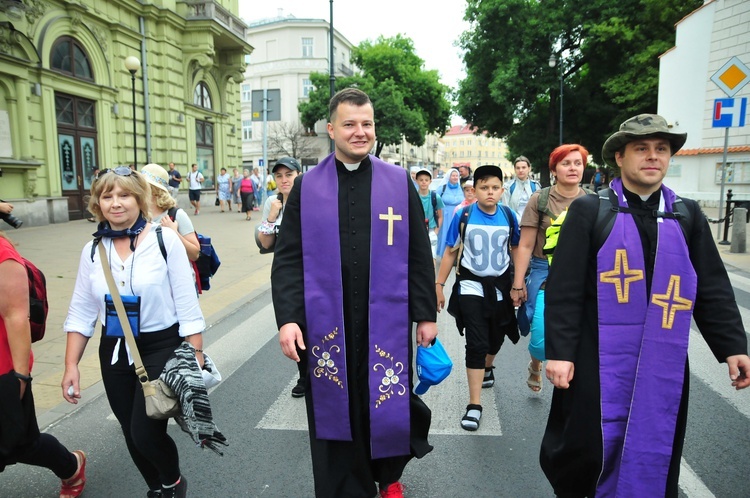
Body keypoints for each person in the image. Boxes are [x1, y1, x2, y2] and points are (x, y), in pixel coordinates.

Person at [539, 114, 750, 497]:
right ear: (619, 157)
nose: (653, 156)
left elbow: (712, 286)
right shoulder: (591, 210)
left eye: (661, 149)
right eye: (642, 148)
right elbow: (564, 288)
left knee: (658, 439)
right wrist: (560, 353)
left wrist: (732, 345)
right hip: (594, 355)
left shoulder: (686, 214)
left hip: (661, 356)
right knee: (587, 447)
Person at [271, 88, 437, 498]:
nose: (359, 132)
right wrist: (288, 318)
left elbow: (419, 251)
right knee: (334, 408)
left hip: (387, 319)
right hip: (326, 320)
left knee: (384, 401)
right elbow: (289, 260)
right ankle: (345, 488)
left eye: (367, 124)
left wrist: (426, 313)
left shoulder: (398, 183)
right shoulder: (307, 188)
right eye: (349, 124)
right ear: (331, 129)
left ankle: (387, 474)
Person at [62, 167, 205, 498]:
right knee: (129, 430)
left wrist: (195, 354)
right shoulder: (93, 251)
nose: (116, 203)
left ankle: (173, 482)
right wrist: (71, 365)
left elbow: (187, 305)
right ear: (98, 203)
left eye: (124, 195)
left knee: (145, 431)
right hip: (113, 348)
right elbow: (81, 311)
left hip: (161, 346)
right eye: (107, 196)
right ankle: (155, 488)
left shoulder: (164, 239)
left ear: (140, 200)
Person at [0, 231, 87, 497]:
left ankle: (71, 465)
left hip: (4, 371)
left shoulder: (3, 254)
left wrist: (21, 377)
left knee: (20, 444)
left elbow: (16, 316)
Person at [435, 165, 520, 431]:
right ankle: (474, 405)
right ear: (474, 190)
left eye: (495, 187)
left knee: (496, 337)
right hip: (470, 286)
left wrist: (518, 284)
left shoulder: (508, 215)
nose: (490, 192)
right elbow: (450, 252)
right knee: (476, 341)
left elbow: (516, 248)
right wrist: (439, 285)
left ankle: (488, 367)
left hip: (500, 287)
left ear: (502, 190)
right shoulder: (464, 215)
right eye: (484, 188)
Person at [511, 144, 590, 393]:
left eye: (578, 163)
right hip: (543, 269)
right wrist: (518, 282)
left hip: (579, 271)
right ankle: (536, 362)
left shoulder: (592, 201)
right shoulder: (540, 199)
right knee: (540, 337)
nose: (573, 168)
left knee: (581, 329)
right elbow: (524, 245)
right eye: (566, 163)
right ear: (554, 169)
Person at [256, 157, 307, 397]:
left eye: (289, 174)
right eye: (279, 176)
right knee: (293, 321)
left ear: (298, 174)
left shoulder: (310, 198)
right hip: (287, 271)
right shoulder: (272, 202)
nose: (284, 180)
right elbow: (266, 243)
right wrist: (271, 217)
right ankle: (304, 375)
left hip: (313, 270)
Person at [141, 163, 201, 263]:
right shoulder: (139, 215)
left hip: (175, 275)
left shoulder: (176, 215)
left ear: (155, 191)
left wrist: (174, 232)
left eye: (142, 186)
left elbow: (195, 254)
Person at [414, 168, 444, 268]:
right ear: (416, 180)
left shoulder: (435, 197)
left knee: (432, 257)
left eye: (426, 180)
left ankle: (432, 279)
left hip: (431, 229)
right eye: (421, 180)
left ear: (430, 181)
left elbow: (440, 216)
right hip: (417, 230)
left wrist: (436, 230)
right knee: (418, 256)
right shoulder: (414, 196)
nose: (423, 182)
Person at [435, 168, 464, 257]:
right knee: (444, 234)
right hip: (445, 215)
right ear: (449, 176)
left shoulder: (461, 188)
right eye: (453, 175)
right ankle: (443, 254)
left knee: (456, 234)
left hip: (457, 214)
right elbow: (435, 199)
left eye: (456, 176)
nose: (455, 177)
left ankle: (455, 253)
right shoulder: (442, 188)